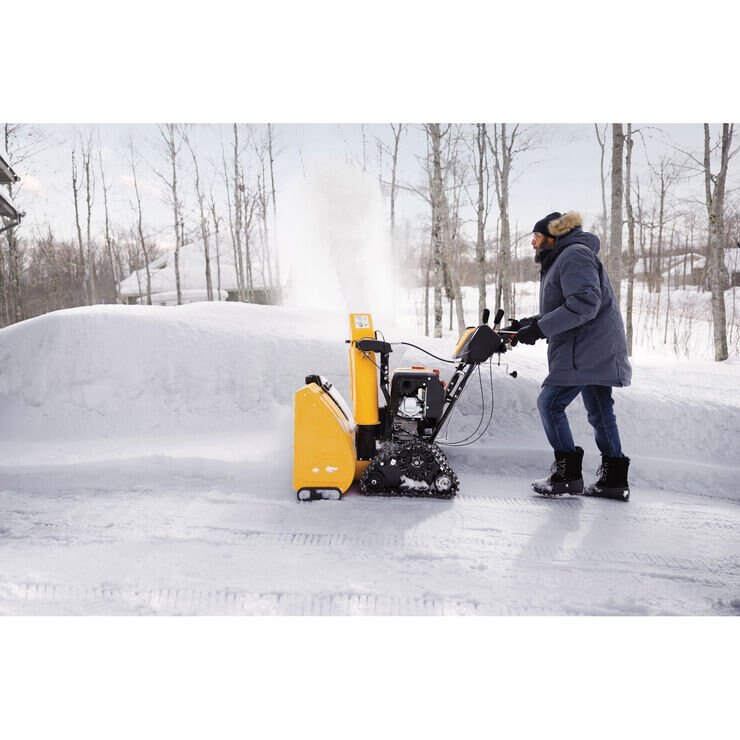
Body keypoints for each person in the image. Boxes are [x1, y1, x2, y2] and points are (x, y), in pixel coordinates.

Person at [503, 211, 632, 502]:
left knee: (550, 403)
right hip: (594, 346)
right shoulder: (564, 257)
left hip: (585, 347)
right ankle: (614, 480)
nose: (533, 243)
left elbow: (584, 305)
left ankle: (567, 476)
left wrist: (539, 329)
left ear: (552, 237)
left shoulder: (573, 255)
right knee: (600, 409)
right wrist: (526, 325)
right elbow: (564, 307)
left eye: (536, 237)